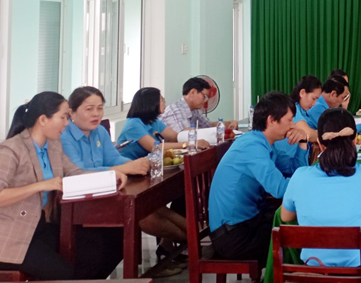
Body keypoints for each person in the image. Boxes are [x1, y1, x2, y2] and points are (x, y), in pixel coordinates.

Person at [60, 87, 188, 273]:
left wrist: (135, 164)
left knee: (150, 205)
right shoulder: (65, 136)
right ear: (71, 112)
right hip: (80, 201)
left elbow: (114, 159)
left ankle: (193, 236)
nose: (96, 114)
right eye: (89, 109)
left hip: (108, 191)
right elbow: (79, 172)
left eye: (100, 108)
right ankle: (190, 239)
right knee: (142, 214)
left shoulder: (99, 132)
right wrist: (124, 168)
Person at [0, 93, 126, 280]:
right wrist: (39, 186)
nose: (67, 123)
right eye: (63, 117)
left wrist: (110, 175)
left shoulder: (53, 146)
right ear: (43, 120)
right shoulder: (11, 150)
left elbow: (75, 172)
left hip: (40, 225)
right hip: (11, 234)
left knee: (104, 244)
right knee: (64, 272)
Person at [281, 108, 361, 282]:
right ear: (355, 140)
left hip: (314, 277)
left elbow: (285, 216)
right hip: (360, 276)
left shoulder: (299, 176)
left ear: (320, 144)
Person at [209, 91, 309, 267]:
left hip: (250, 222)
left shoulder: (264, 144)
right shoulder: (252, 147)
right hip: (233, 236)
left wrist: (303, 141)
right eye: (289, 120)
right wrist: (314, 187)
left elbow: (294, 170)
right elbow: (279, 189)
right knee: (296, 236)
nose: (293, 125)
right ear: (271, 120)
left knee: (296, 224)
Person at [117, 87, 209, 160]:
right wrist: (190, 144)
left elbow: (175, 137)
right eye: (162, 99)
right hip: (129, 167)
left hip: (148, 163)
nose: (165, 102)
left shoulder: (154, 121)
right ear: (151, 102)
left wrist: (191, 132)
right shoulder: (133, 124)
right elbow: (155, 147)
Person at [159, 77, 238, 132]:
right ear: (193, 92)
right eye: (204, 96)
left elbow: (209, 125)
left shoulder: (195, 110)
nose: (205, 100)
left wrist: (229, 124)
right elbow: (185, 136)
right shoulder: (176, 109)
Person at [288, 75, 323, 143]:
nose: (314, 104)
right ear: (302, 93)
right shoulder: (293, 109)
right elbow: (308, 134)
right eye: (313, 98)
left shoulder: (304, 111)